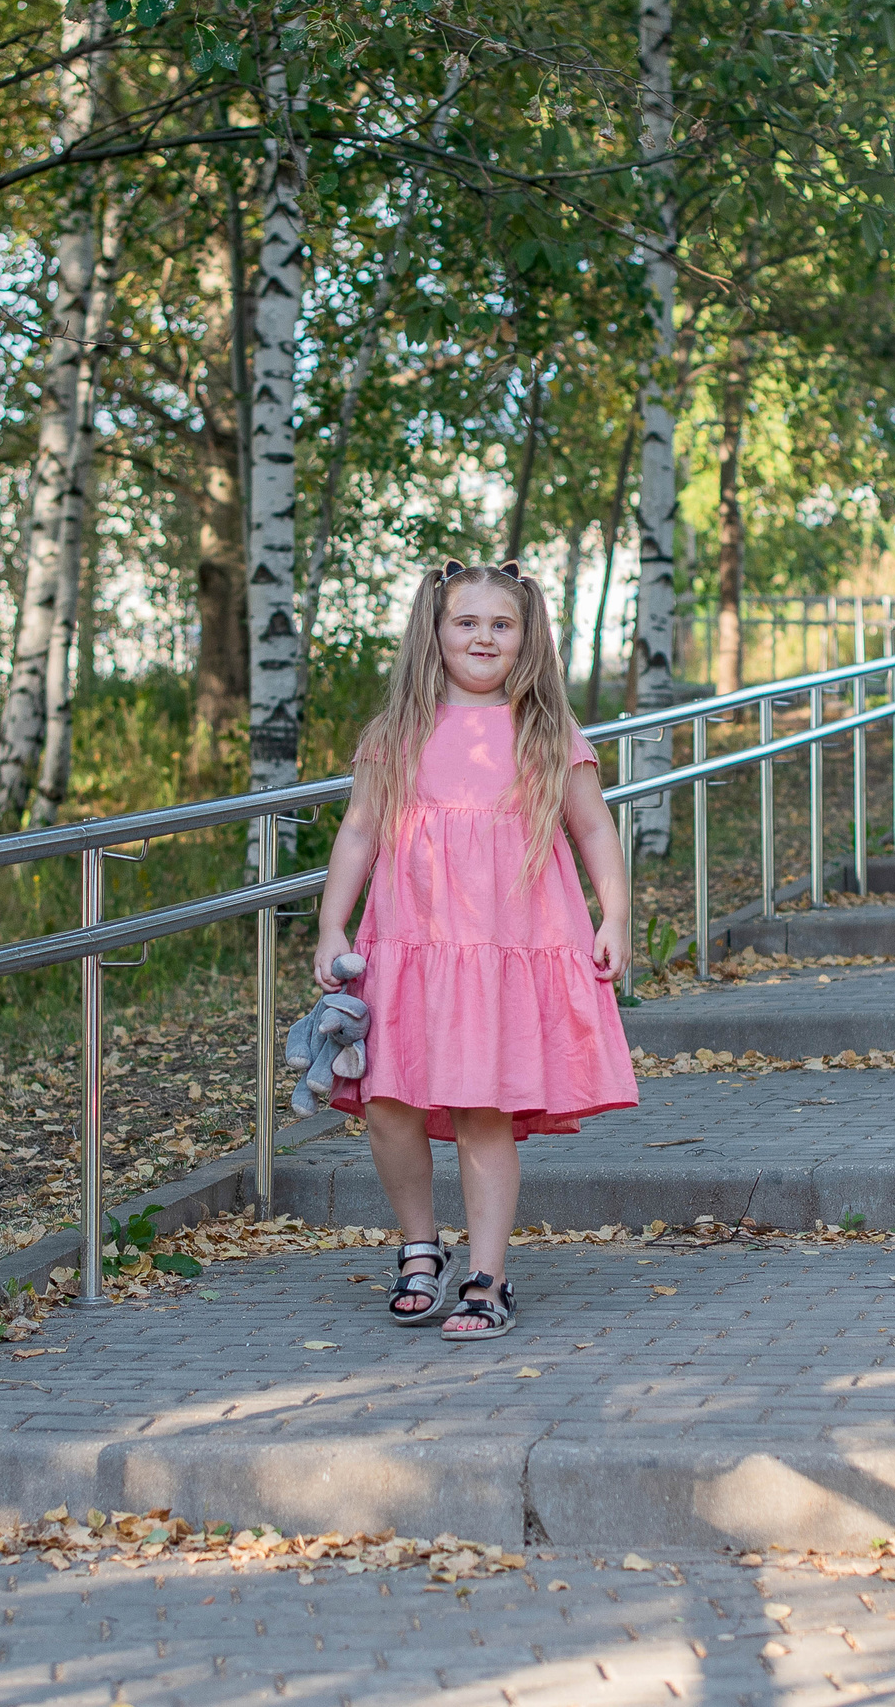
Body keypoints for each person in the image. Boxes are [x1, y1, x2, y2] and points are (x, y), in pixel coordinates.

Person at [315, 558, 637, 1341]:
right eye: (467, 621)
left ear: (527, 637)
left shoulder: (545, 730)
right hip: (409, 945)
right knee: (388, 1105)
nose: (484, 636)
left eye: (502, 623)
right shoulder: (397, 732)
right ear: (435, 631)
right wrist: (331, 924)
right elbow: (358, 831)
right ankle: (420, 1249)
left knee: (482, 1109)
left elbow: (592, 826)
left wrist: (616, 912)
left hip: (502, 950)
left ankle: (488, 1276)